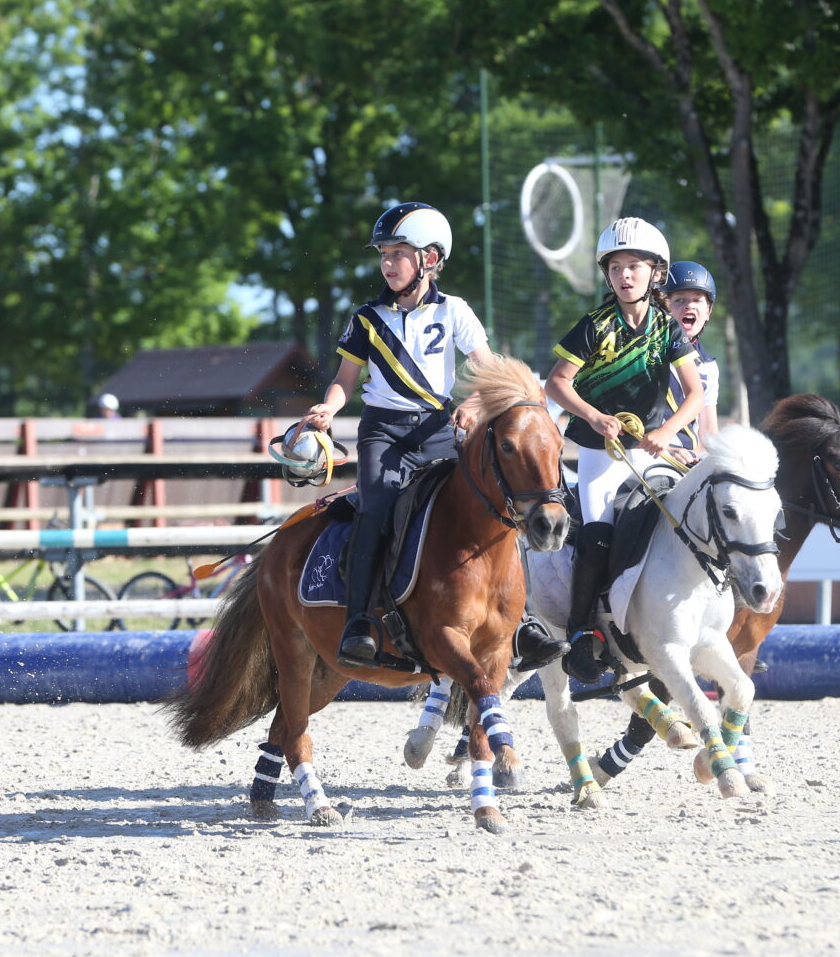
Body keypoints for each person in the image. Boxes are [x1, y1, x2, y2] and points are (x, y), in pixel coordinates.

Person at [298, 202, 567, 671]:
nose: (387, 263)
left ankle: (520, 622)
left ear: (430, 258)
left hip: (438, 430)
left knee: (495, 507)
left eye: (398, 253)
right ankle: (359, 621)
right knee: (375, 508)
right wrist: (330, 407)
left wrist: (475, 404)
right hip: (383, 433)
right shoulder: (366, 318)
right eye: (384, 254)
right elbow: (344, 379)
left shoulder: (455, 310)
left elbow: (489, 372)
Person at [545, 218, 704, 683]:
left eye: (634, 266)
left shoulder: (667, 327)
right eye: (615, 267)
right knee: (597, 532)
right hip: (602, 454)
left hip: (652, 452)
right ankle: (580, 635)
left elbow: (695, 393)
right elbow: (557, 383)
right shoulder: (594, 325)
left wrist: (668, 430)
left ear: (657, 273)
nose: (624, 275)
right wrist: (594, 417)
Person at [663, 260, 722, 455]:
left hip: (687, 460)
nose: (689, 306)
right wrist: (668, 451)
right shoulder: (644, 353)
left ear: (708, 311)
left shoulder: (708, 366)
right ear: (663, 308)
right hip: (644, 457)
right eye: (679, 300)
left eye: (697, 300)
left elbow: (709, 434)